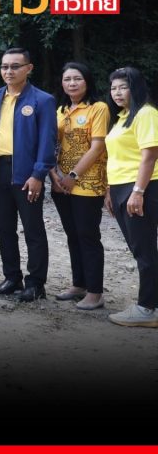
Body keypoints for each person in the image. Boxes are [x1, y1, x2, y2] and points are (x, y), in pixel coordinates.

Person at [0, 48, 57, 302]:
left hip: (27, 172)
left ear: (28, 68)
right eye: (4, 67)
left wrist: (38, 174)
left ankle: (36, 284)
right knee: (4, 228)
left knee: (33, 229)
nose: (9, 71)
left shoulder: (42, 100)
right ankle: (12, 277)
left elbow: (47, 141)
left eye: (15, 66)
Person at [48, 62, 109, 309]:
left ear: (87, 81)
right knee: (72, 235)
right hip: (60, 183)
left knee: (88, 235)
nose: (72, 83)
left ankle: (95, 292)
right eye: (67, 79)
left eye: (77, 79)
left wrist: (73, 175)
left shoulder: (98, 108)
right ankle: (79, 285)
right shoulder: (60, 110)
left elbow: (98, 146)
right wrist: (54, 175)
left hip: (88, 184)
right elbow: (51, 145)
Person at [105, 66, 158, 327]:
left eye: (123, 87)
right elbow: (118, 156)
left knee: (144, 250)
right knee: (140, 249)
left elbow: (150, 155)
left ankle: (148, 308)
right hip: (121, 186)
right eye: (113, 88)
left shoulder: (146, 113)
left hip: (140, 187)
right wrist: (109, 190)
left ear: (135, 87)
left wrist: (138, 192)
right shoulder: (122, 117)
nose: (117, 92)